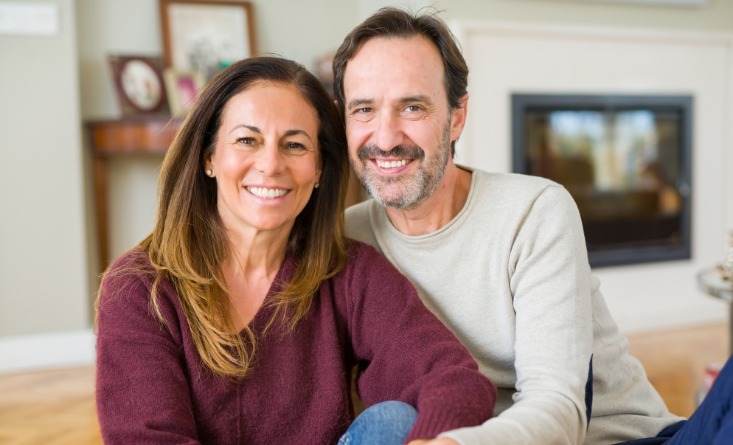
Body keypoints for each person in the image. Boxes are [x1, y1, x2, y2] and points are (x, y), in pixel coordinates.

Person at [334, 7, 733, 445]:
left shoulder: (534, 211)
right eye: (365, 109)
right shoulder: (345, 240)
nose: (386, 137)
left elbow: (558, 405)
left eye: (412, 107)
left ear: (458, 116)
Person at [94, 56, 496, 445]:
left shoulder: (348, 273)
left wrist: (437, 440)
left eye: (295, 145)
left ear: (319, 168)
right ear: (209, 156)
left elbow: (452, 376)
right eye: (247, 140)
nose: (270, 164)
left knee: (395, 422)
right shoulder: (138, 289)